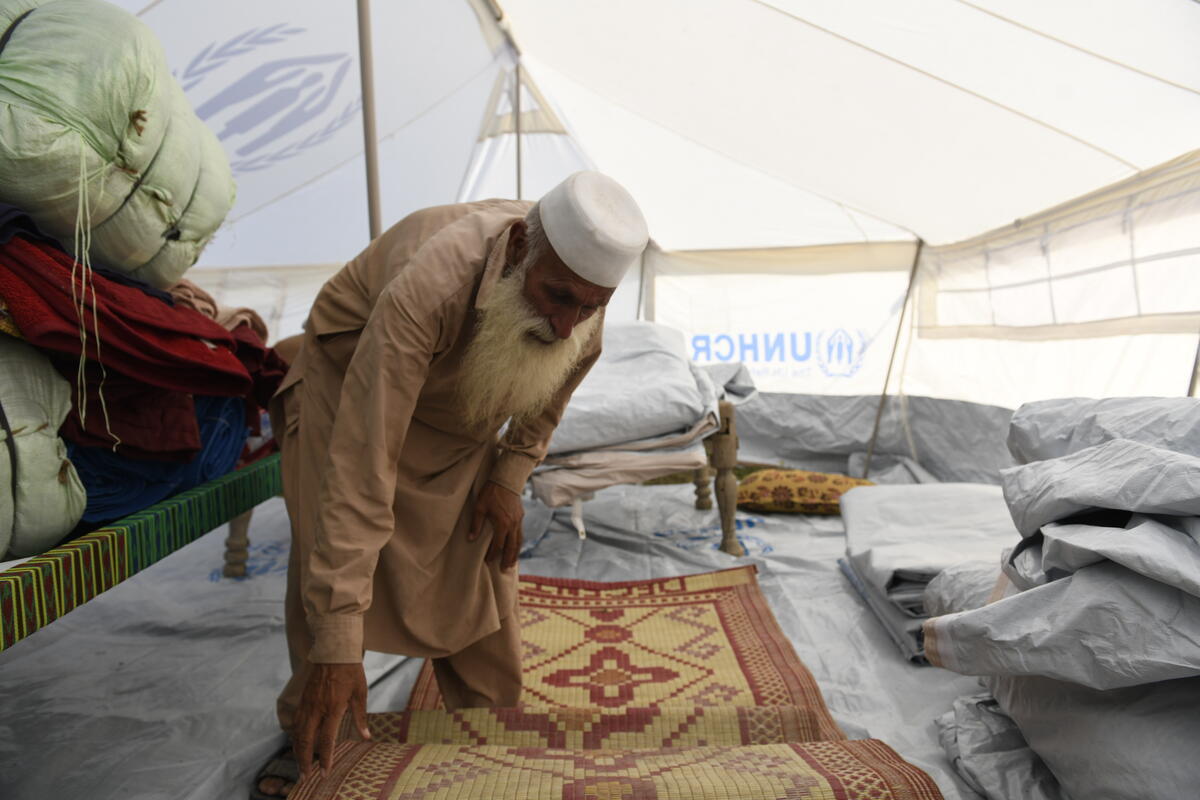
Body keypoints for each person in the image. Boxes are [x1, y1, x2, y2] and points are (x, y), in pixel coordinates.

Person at [253, 172, 649, 798]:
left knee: (479, 561)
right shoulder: (433, 284)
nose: (566, 323)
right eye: (558, 297)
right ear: (519, 248)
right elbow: (363, 461)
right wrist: (339, 644)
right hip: (347, 387)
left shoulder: (580, 307)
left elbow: (552, 392)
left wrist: (509, 475)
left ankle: (485, 724)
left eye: (588, 307)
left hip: (455, 417)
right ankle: (314, 722)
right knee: (328, 552)